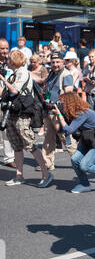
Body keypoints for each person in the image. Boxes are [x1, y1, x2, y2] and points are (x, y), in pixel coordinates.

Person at [0, 50, 53, 187]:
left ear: (14, 60)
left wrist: (3, 80)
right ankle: (19, 176)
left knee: (30, 144)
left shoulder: (23, 72)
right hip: (12, 112)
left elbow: (14, 91)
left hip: (22, 113)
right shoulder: (13, 73)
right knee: (17, 146)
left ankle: (46, 174)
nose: (6, 60)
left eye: (9, 58)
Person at [52, 92, 95, 194]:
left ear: (70, 103)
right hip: (89, 140)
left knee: (85, 165)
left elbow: (69, 130)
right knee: (75, 160)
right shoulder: (73, 112)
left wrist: (59, 114)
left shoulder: (82, 113)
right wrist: (57, 114)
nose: (61, 105)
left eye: (62, 103)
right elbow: (60, 129)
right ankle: (84, 184)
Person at [40, 52, 77, 171]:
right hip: (49, 111)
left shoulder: (66, 75)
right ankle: (47, 163)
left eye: (57, 62)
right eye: (53, 62)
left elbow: (69, 93)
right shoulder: (51, 73)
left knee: (66, 138)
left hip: (58, 113)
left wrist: (61, 109)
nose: (55, 64)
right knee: (48, 139)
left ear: (63, 62)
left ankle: (78, 161)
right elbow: (43, 83)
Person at [0, 38, 15, 168]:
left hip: (6, 101)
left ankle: (9, 158)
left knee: (6, 129)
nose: (5, 51)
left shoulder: (10, 63)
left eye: (6, 48)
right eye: (2, 48)